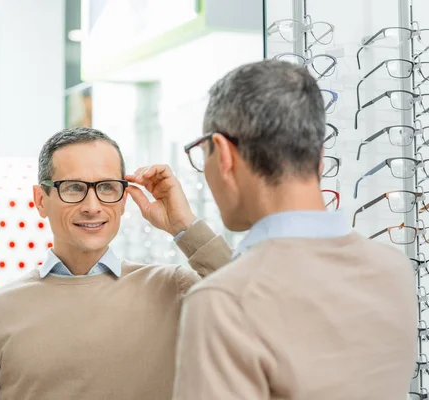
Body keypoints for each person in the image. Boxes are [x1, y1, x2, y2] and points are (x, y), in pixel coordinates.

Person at [151, 60, 416, 399]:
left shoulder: (221, 304)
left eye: (204, 154)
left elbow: (255, 291)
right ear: (318, 157)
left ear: (226, 155)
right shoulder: (393, 270)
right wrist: (186, 229)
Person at [0, 126, 233, 400]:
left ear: (123, 200)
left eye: (107, 188)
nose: (92, 206)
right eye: (73, 188)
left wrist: (184, 226)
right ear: (41, 200)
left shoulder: (174, 288)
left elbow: (255, 307)